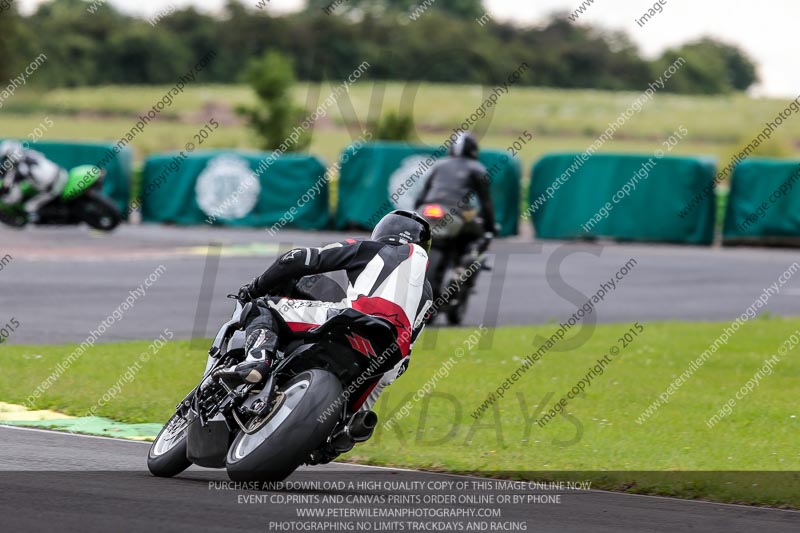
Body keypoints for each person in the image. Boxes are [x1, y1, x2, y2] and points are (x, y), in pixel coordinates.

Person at [217, 209, 433, 415]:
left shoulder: (369, 248)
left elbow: (298, 258)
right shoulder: (427, 293)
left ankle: (257, 359)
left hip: (355, 319)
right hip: (390, 353)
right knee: (348, 421)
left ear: (382, 232)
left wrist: (255, 288)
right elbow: (407, 354)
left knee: (262, 307)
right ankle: (344, 428)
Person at [415, 131, 496, 258]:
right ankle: (464, 265)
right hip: (458, 211)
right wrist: (490, 226)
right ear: (473, 149)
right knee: (478, 232)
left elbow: (422, 195)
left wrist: (416, 211)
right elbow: (485, 202)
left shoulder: (439, 164)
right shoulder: (478, 168)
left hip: (427, 208)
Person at [0, 141, 67, 221]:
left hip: (53, 186)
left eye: (7, 158)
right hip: (62, 173)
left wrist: (4, 191)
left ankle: (35, 220)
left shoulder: (21, 167)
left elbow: (10, 184)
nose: (6, 161)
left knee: (28, 207)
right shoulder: (31, 153)